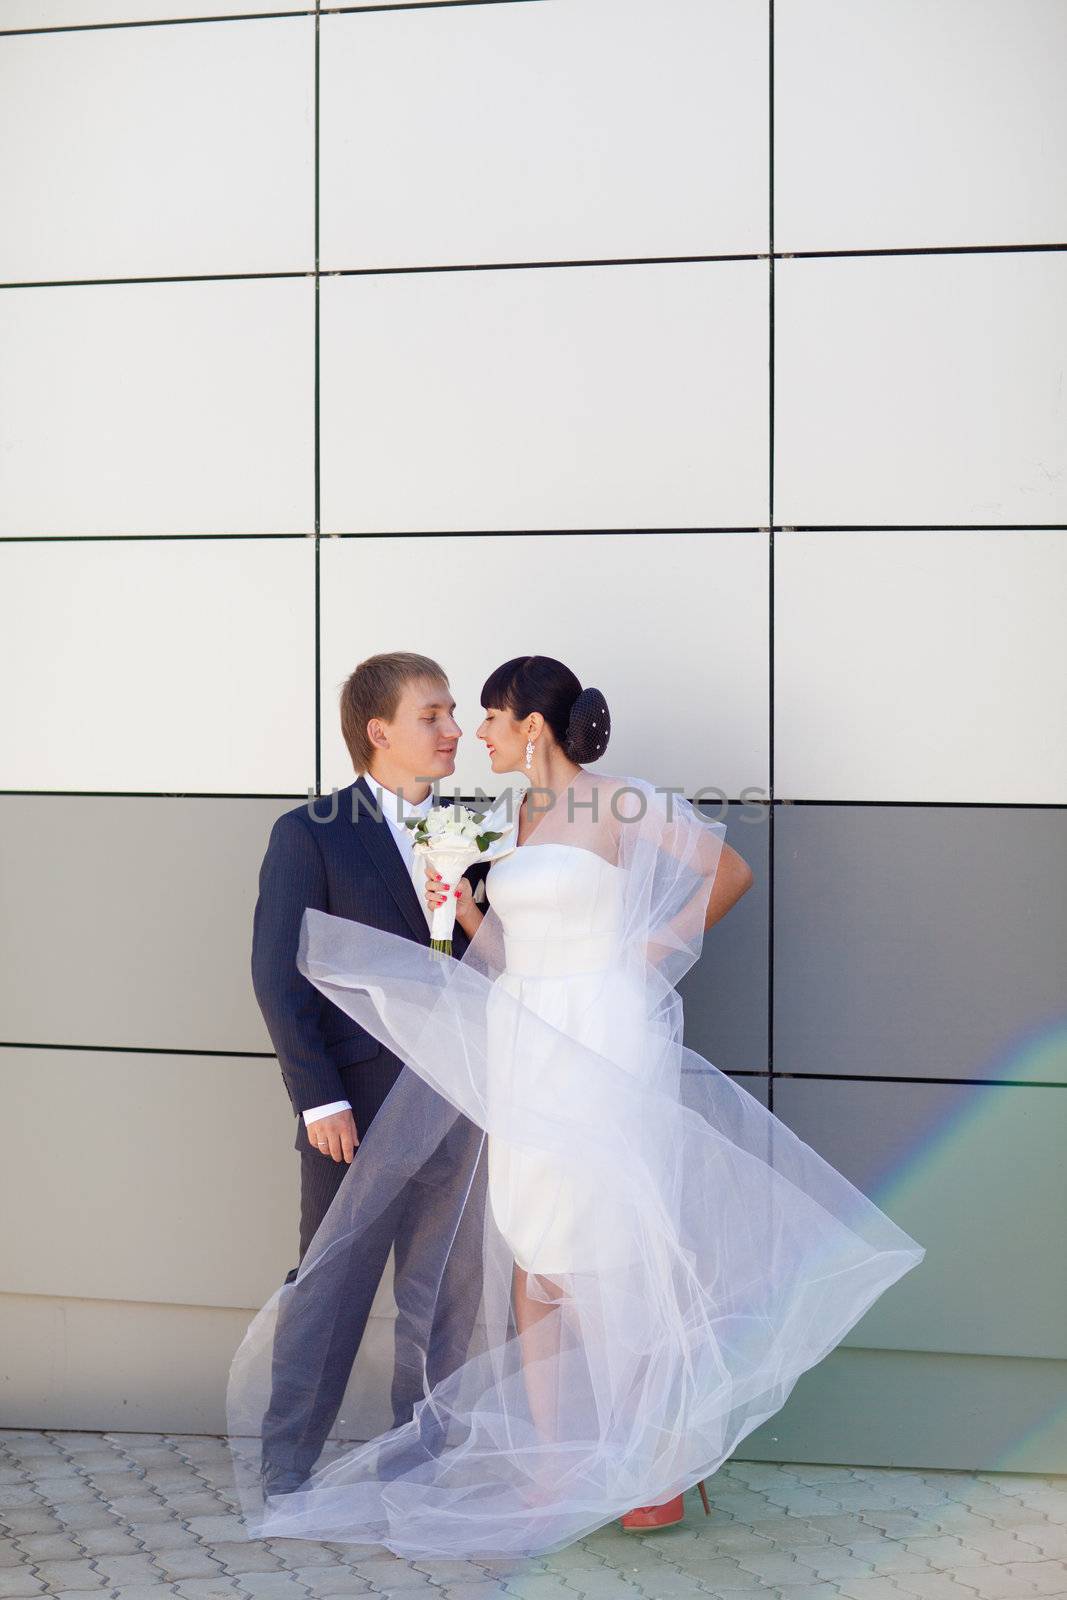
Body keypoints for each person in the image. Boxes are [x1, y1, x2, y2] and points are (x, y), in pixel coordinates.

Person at [227, 654, 925, 1559]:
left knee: (610, 1240)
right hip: (524, 1035)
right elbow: (504, 941)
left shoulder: (621, 801)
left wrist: (643, 956)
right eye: (448, 716)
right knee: (535, 1245)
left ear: (530, 724)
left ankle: (652, 1457)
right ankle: (556, 1461)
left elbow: (727, 873)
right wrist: (463, 913)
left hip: (600, 1031)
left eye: (483, 717)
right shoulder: (504, 816)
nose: (470, 734)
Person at [248, 652, 491, 1495]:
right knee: (330, 1282)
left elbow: (485, 960)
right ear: (378, 730)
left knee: (444, 1292)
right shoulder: (309, 831)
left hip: (458, 1099)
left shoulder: (477, 824)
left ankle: (420, 1459)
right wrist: (320, 1099)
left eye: (454, 712)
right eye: (433, 715)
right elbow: (279, 977)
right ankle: (287, 1465)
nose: (454, 729)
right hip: (353, 1108)